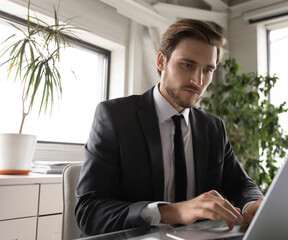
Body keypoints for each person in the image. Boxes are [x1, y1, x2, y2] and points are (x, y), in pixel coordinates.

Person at [75, 18, 263, 237]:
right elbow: (89, 211)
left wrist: (252, 205)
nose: (197, 80)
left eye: (208, 70)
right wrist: (170, 211)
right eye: (187, 65)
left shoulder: (213, 127)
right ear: (161, 61)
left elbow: (240, 185)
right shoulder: (115, 117)